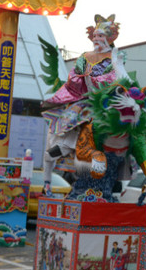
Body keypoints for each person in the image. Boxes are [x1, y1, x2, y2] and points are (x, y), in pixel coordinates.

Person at [41, 14, 129, 194]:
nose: (97, 39)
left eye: (101, 36)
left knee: (131, 124)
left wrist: (114, 65)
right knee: (68, 120)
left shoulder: (116, 55)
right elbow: (73, 79)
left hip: (109, 99)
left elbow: (122, 78)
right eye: (95, 36)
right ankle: (63, 149)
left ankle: (124, 169)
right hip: (87, 100)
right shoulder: (84, 57)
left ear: (110, 37)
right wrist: (79, 78)